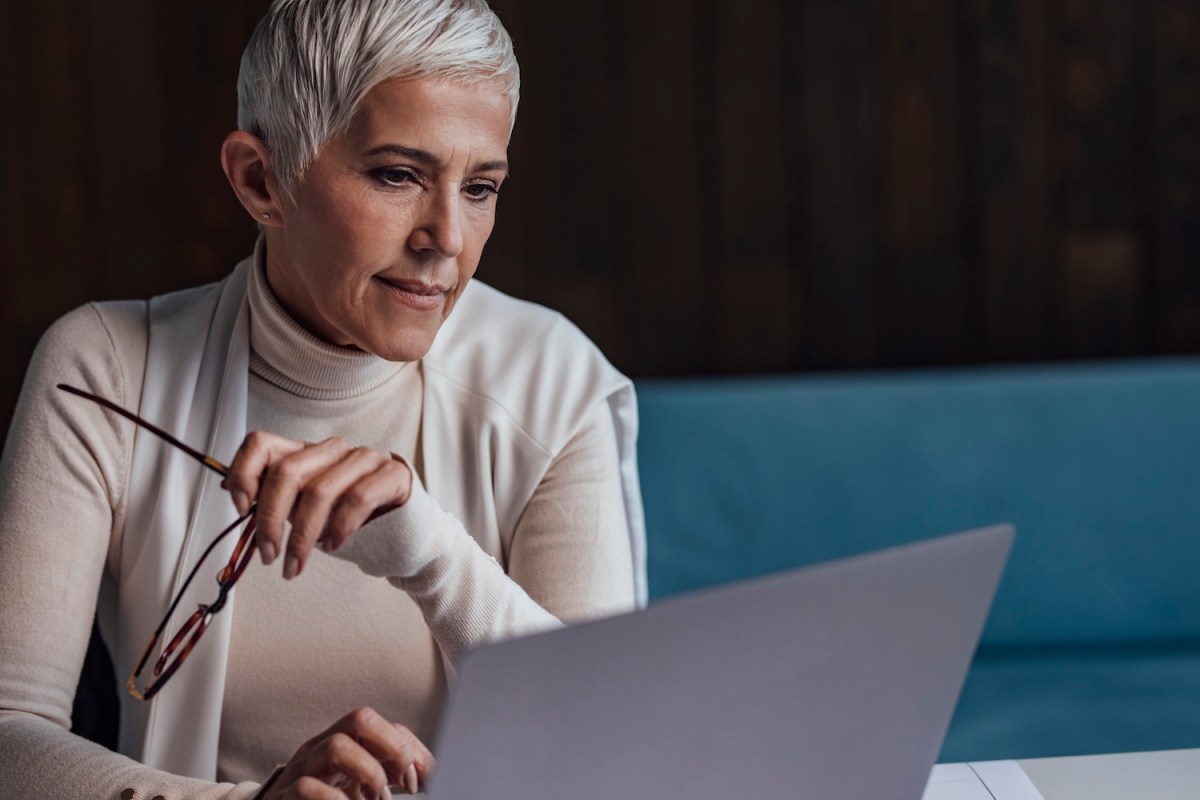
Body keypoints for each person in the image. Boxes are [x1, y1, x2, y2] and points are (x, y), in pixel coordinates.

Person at [0, 1, 646, 797]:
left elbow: (617, 745)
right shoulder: (102, 370)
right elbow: (8, 735)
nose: (447, 235)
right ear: (260, 180)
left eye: (480, 187)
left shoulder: (555, 384)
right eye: (398, 175)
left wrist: (427, 550)